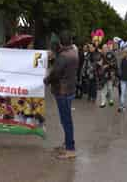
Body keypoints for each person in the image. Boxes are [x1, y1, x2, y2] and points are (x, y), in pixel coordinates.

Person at [44, 30, 79, 159]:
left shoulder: (63, 57)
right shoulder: (73, 52)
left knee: (66, 120)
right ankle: (67, 144)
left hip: (62, 92)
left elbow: (55, 74)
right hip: (69, 90)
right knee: (66, 119)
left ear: (61, 42)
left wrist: (45, 80)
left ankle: (70, 149)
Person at [100, 43, 118, 108]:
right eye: (103, 48)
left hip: (110, 73)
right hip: (102, 74)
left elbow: (115, 63)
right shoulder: (100, 55)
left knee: (110, 88)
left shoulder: (111, 55)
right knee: (103, 88)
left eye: (105, 48)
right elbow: (97, 63)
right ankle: (103, 102)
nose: (104, 49)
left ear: (107, 48)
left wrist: (108, 65)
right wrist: (100, 65)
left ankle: (111, 100)